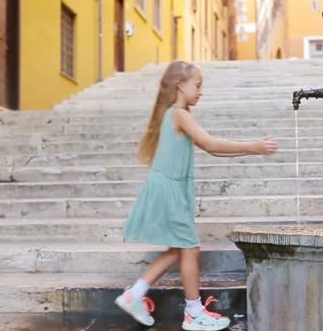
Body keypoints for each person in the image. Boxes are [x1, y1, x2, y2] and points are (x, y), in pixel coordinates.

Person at [115, 60, 277, 330]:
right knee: (191, 249)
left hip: (171, 190)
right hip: (170, 191)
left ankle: (135, 294)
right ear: (181, 85)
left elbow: (213, 150)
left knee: (179, 249)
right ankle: (193, 312)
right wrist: (255, 146)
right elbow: (211, 143)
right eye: (198, 85)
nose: (201, 91)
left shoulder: (175, 113)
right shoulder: (179, 114)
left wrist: (252, 150)